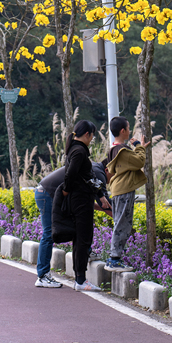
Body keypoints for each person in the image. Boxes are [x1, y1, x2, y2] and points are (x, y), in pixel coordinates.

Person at [35, 162, 112, 288]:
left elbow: (87, 203)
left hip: (46, 193)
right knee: (49, 233)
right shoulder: (98, 173)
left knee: (76, 226)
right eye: (114, 175)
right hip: (47, 194)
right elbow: (105, 203)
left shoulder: (92, 169)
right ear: (107, 169)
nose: (112, 180)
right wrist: (120, 219)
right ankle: (42, 276)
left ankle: (86, 252)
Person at [63, 120, 109, 292]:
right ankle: (81, 280)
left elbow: (87, 177)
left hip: (81, 199)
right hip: (80, 201)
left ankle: (79, 278)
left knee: (80, 239)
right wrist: (67, 190)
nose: (92, 139)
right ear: (88, 134)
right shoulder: (79, 151)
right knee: (83, 239)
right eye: (92, 136)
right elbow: (71, 174)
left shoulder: (76, 150)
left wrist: (100, 196)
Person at [104, 116, 149, 272]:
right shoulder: (121, 151)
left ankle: (114, 258)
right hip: (123, 190)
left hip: (118, 190)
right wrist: (139, 146)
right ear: (123, 131)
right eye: (128, 128)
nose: (130, 131)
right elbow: (139, 162)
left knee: (120, 222)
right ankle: (114, 259)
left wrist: (139, 148)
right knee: (122, 224)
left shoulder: (114, 149)